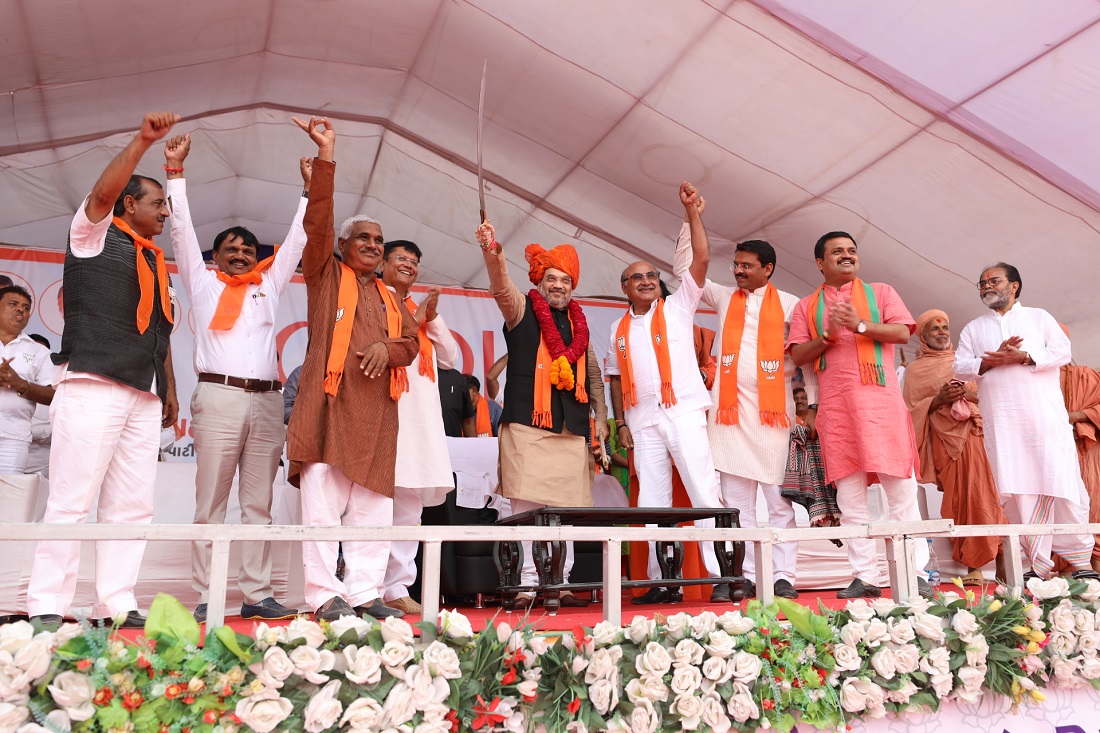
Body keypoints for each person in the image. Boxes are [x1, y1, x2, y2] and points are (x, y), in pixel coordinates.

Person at [27, 112, 181, 629]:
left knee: (133, 507)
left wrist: (167, 391)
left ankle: (115, 603)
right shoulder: (91, 234)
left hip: (143, 392)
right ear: (130, 203)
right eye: (158, 203)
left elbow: (160, 333)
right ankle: (48, 605)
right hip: (93, 382)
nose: (166, 213)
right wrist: (142, 141)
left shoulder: (156, 259)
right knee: (71, 501)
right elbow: (99, 194)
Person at [164, 134, 308, 623]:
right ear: (217, 255)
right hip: (220, 396)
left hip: (268, 402)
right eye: (232, 248)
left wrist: (311, 192)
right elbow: (181, 233)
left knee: (259, 505)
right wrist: (176, 175)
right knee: (210, 504)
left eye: (248, 249)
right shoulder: (202, 283)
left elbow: (297, 244)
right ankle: (207, 595)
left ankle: (256, 593)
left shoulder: (268, 285)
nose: (243, 254)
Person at [285, 116, 419, 621]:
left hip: (377, 414)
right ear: (343, 247)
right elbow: (317, 222)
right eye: (361, 238)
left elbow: (411, 344)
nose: (371, 245)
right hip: (330, 406)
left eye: (378, 241)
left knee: (373, 506)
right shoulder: (325, 275)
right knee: (321, 501)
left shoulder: (389, 295)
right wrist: (326, 156)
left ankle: (364, 591)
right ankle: (323, 595)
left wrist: (389, 349)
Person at [787, 231, 931, 599]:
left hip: (881, 404)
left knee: (900, 491)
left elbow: (902, 332)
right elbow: (799, 356)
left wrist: (859, 325)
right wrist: (830, 336)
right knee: (850, 499)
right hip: (838, 409)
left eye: (852, 251)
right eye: (837, 252)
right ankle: (864, 576)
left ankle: (913, 573)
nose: (847, 256)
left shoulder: (881, 293)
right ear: (820, 262)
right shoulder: (806, 306)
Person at [671, 196, 801, 602]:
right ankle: (742, 575)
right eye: (736, 265)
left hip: (775, 419)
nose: (739, 270)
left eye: (747, 265)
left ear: (768, 269)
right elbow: (682, 270)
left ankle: (783, 577)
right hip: (729, 419)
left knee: (779, 505)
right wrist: (692, 216)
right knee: (736, 506)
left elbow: (805, 360)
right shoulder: (725, 297)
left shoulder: (792, 305)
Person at [473, 218, 608, 609]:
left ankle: (559, 583)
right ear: (539, 282)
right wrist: (492, 250)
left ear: (572, 286)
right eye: (551, 279)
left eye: (565, 281)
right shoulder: (521, 311)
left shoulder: (580, 326)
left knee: (564, 516)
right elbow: (501, 287)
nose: (558, 286)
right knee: (528, 511)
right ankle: (529, 583)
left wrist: (600, 419)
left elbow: (594, 378)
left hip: (570, 431)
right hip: (529, 428)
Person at [607, 182, 725, 604]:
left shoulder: (677, 308)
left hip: (684, 411)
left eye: (651, 275)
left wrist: (693, 213)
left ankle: (721, 575)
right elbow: (615, 378)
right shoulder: (617, 330)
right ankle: (664, 581)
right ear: (624, 287)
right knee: (652, 503)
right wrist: (620, 422)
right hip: (643, 420)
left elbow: (703, 258)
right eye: (635, 277)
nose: (645, 281)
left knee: (701, 490)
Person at [955, 263, 1096, 580]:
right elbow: (961, 367)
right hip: (1003, 426)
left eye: (994, 281)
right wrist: (990, 360)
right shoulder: (973, 329)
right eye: (982, 283)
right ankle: (1035, 565)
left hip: (1044, 420)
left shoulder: (1039, 317)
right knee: (1017, 490)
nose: (987, 286)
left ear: (1014, 285)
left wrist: (1023, 356)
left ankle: (1081, 562)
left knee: (1061, 483)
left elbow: (1062, 352)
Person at [378, 239, 458, 616]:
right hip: (385, 416)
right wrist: (419, 315)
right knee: (373, 507)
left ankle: (397, 587)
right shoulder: (374, 300)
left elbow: (449, 357)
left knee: (409, 510)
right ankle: (368, 585)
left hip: (420, 425)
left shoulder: (420, 310)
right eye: (401, 258)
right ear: (382, 263)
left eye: (414, 260)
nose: (409, 264)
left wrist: (432, 316)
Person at [903, 309, 1006, 584]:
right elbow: (908, 412)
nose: (941, 332)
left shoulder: (964, 361)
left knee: (984, 494)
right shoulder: (915, 371)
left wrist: (968, 394)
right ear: (923, 337)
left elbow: (991, 398)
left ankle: (990, 561)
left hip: (976, 434)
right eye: (934, 328)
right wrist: (937, 400)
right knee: (959, 500)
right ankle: (972, 563)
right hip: (944, 442)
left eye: (944, 327)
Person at [0, 288, 56, 473]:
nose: (20, 310)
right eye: (13, 304)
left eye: (25, 307)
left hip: (13, 438)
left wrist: (20, 384)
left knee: (7, 498)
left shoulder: (39, 352)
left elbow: (53, 396)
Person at [1059, 327, 1100, 574]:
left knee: (1093, 503)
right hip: (1054, 451)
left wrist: (1077, 416)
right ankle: (1065, 570)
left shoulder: (1086, 374)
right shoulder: (1030, 378)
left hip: (1087, 449)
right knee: (1061, 504)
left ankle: (1095, 567)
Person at [24, 334, 53, 477]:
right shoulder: (8, 385)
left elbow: (60, 431)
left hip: (42, 471)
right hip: (8, 466)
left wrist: (29, 432)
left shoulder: (53, 393)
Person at [438, 367, 476, 438]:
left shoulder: (457, 379)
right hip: (421, 444)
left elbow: (467, 421)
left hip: (452, 446)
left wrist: (475, 447)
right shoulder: (414, 377)